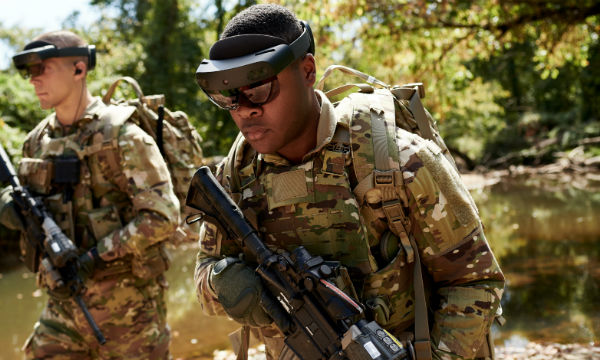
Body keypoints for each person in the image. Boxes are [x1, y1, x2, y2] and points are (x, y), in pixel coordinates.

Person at [192, 4, 505, 360]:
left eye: (259, 89)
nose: (244, 109)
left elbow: (476, 281)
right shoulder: (235, 178)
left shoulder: (398, 161)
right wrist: (223, 281)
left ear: (306, 71)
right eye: (228, 97)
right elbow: (203, 276)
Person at [0, 30, 178, 359]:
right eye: (29, 73)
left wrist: (94, 258)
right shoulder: (36, 142)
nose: (33, 81)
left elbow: (162, 216)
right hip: (64, 306)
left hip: (129, 311)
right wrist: (10, 206)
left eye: (42, 69)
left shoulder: (122, 136)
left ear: (79, 69)